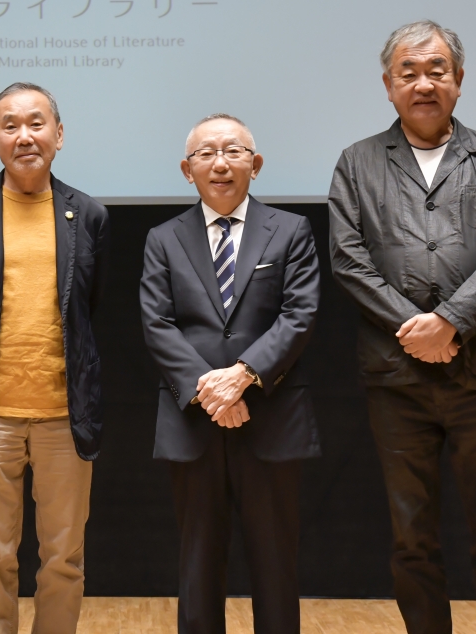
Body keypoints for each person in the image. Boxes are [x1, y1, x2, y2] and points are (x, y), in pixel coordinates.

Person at [328, 20, 476, 634]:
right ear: (388, 85)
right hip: (397, 378)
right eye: (409, 73)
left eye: (436, 70)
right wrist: (416, 330)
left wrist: (450, 322)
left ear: (459, 80)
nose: (423, 84)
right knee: (412, 539)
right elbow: (348, 259)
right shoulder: (358, 162)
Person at [0, 82, 110, 634]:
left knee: (64, 560)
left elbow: (90, 310)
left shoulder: (89, 215)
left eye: (37, 123)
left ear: (59, 134)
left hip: (65, 414)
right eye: (9, 125)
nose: (24, 136)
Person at [139, 114, 320, 634]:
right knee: (198, 563)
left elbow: (299, 315)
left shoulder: (290, 230)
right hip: (194, 421)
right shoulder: (163, 238)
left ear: (255, 164)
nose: (220, 164)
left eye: (233, 151)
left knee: (276, 562)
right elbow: (157, 323)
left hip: (272, 415)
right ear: (187, 170)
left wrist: (242, 376)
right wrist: (211, 392)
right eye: (206, 154)